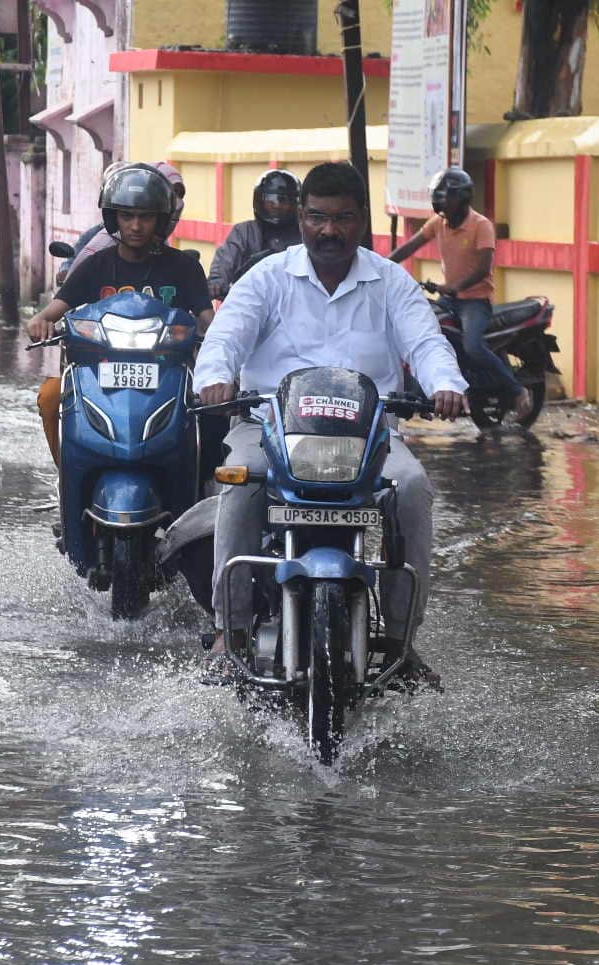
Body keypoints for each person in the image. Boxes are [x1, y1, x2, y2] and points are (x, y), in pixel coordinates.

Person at [196, 161, 468, 666]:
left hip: (368, 438)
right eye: (318, 217)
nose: (329, 230)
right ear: (301, 218)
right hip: (268, 427)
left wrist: (446, 385)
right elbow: (227, 335)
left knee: (410, 487)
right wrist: (216, 377)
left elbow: (425, 341)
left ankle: (403, 640)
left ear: (361, 220)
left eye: (341, 218)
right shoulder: (267, 277)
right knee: (240, 483)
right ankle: (228, 630)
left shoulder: (391, 283)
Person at [26, 163, 212, 466]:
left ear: (161, 220)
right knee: (49, 397)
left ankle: (205, 484)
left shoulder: (184, 268)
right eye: (127, 216)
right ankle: (69, 472)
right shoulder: (94, 265)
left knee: (212, 407)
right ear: (114, 218)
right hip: (98, 377)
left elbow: (208, 321)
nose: (136, 226)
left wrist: (217, 341)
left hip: (168, 375)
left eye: (146, 217)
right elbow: (51, 312)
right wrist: (40, 323)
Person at [388, 167, 531, 418]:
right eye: (440, 196)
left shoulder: (480, 225)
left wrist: (456, 287)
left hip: (475, 302)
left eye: (448, 196)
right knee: (428, 332)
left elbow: (483, 268)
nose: (443, 202)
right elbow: (410, 247)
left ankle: (517, 390)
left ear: (462, 198)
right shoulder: (439, 223)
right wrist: (383, 265)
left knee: (473, 347)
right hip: (449, 299)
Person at [65, 161, 186, 276]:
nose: (136, 226)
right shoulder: (97, 254)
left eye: (178, 193)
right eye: (127, 216)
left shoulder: (177, 259)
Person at [207, 168, 299, 299]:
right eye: (271, 200)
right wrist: (216, 283)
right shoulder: (243, 232)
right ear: (259, 201)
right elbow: (225, 262)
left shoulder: (304, 234)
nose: (277, 205)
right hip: (249, 304)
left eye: (283, 200)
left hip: (293, 306)